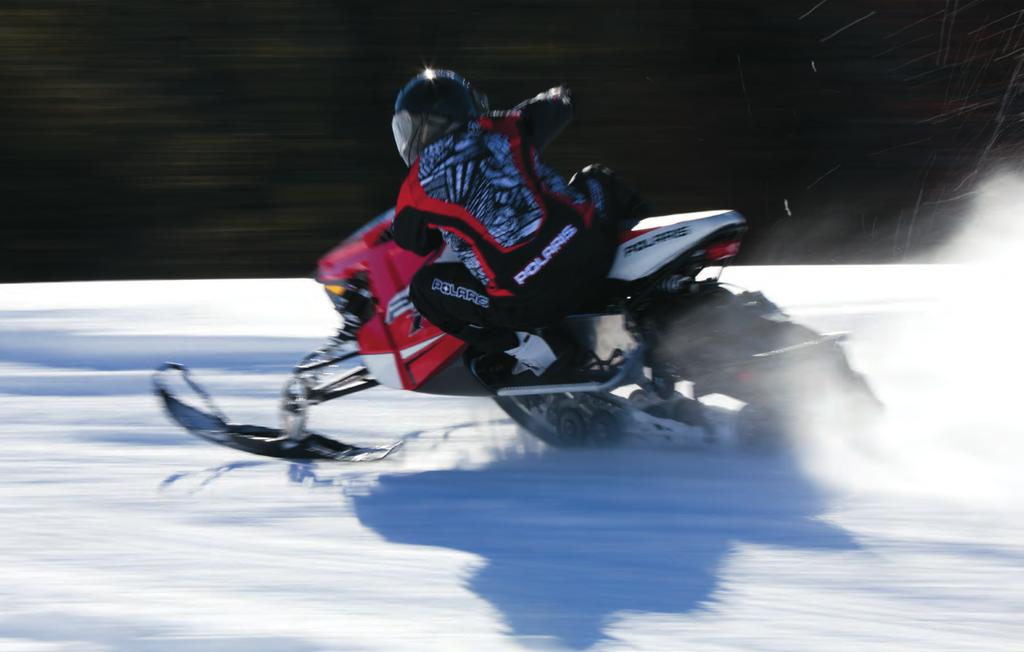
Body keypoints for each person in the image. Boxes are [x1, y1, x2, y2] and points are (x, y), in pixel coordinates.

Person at [389, 69, 645, 378]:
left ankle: (531, 350)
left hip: (532, 301)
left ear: (433, 123)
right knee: (595, 178)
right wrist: (561, 93)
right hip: (593, 251)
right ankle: (647, 266)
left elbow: (413, 242)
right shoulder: (505, 126)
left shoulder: (417, 187)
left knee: (424, 289)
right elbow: (559, 106)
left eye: (412, 126)